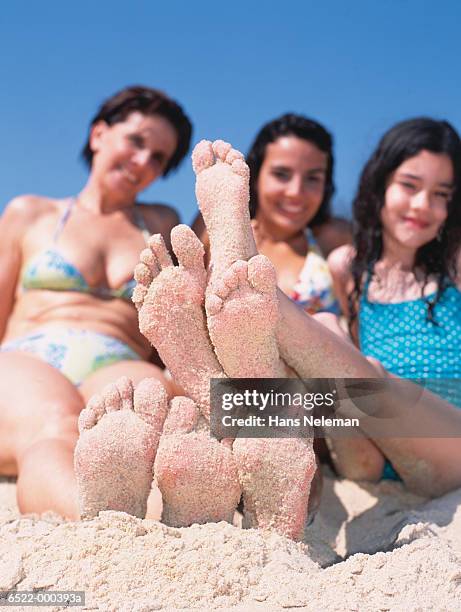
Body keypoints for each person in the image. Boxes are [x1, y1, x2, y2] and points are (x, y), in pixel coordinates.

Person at [0, 85, 192, 518]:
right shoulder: (30, 213)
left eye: (159, 157)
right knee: (56, 425)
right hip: (28, 358)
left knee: (153, 429)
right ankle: (112, 535)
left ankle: (176, 527)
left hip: (117, 358)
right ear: (98, 135)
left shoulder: (161, 224)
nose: (143, 161)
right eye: (136, 141)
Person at [327, 117, 461, 481]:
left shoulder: (455, 268)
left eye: (441, 195)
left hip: (452, 451)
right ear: (380, 183)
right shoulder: (347, 268)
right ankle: (237, 415)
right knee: (327, 329)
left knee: (372, 376)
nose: (422, 205)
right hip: (374, 463)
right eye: (410, 185)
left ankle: (238, 411)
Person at [192, 114, 352, 315]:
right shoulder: (216, 228)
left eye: (313, 178)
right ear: (255, 175)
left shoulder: (334, 238)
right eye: (281, 174)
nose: (295, 191)